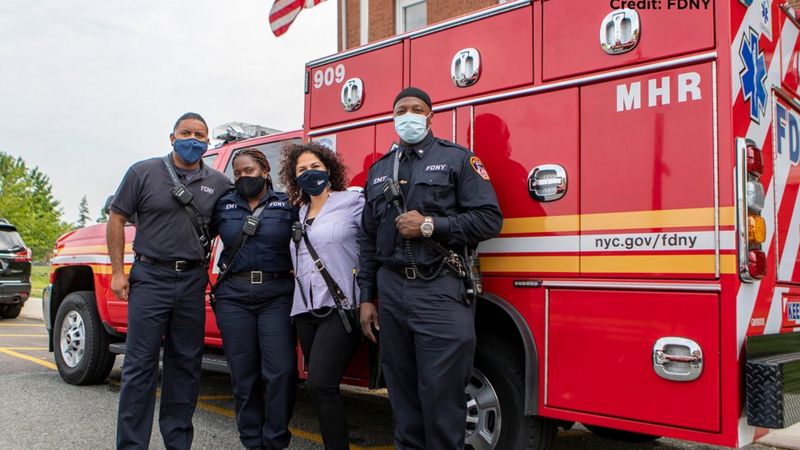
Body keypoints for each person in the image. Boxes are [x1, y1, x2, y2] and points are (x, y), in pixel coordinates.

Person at [357, 87, 503, 450]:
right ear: (393, 118)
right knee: (403, 398)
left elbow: (489, 220)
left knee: (442, 400)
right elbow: (368, 240)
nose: (409, 116)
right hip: (391, 292)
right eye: (401, 110)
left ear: (430, 116)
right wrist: (366, 298)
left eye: (417, 109)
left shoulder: (457, 160)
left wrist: (430, 226)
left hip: (440, 289)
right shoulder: (378, 171)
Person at [108, 112, 232, 450]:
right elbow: (117, 218)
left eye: (200, 135)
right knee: (139, 366)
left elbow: (234, 222)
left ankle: (178, 443)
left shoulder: (220, 183)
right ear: (172, 137)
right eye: (186, 133)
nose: (193, 139)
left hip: (192, 280)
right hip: (150, 277)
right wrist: (119, 272)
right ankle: (132, 445)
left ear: (208, 142)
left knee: (185, 366)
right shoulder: (143, 172)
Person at [279, 141, 364, 450]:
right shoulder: (298, 212)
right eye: (302, 169)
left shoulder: (352, 201)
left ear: (329, 169)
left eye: (315, 167)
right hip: (304, 310)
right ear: (293, 176)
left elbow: (371, 241)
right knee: (319, 387)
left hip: (341, 307)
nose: (309, 173)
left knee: (320, 385)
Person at [212, 148, 297, 450]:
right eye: (237, 173)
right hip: (233, 296)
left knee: (281, 372)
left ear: (264, 171)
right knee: (243, 375)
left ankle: (275, 441)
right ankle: (251, 441)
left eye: (248, 171)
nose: (242, 177)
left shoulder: (287, 204)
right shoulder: (223, 204)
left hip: (276, 295)